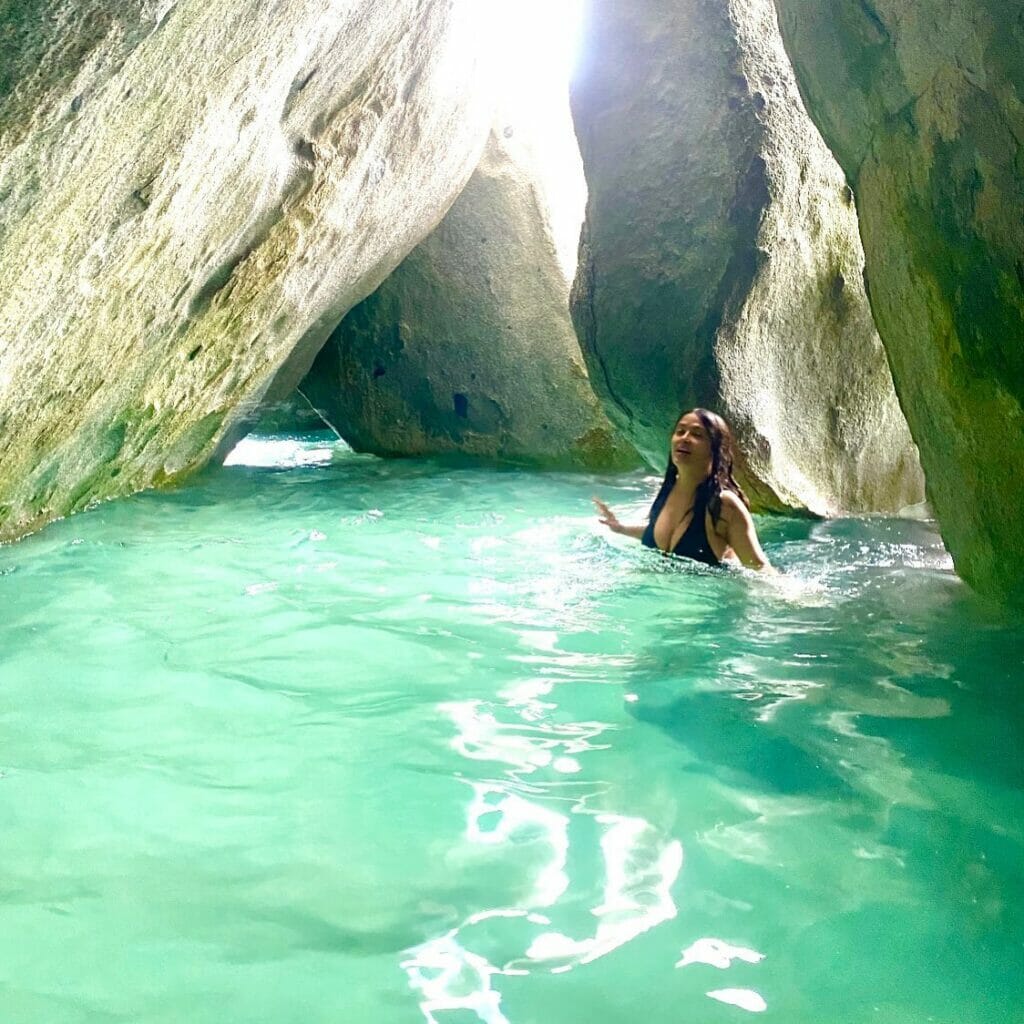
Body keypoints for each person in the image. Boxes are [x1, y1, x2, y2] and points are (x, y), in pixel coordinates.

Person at [593, 408, 774, 571]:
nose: (685, 438)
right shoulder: (666, 492)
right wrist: (621, 528)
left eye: (697, 434)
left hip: (707, 602)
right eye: (680, 431)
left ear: (715, 449)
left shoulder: (724, 505)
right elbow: (659, 533)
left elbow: (759, 568)